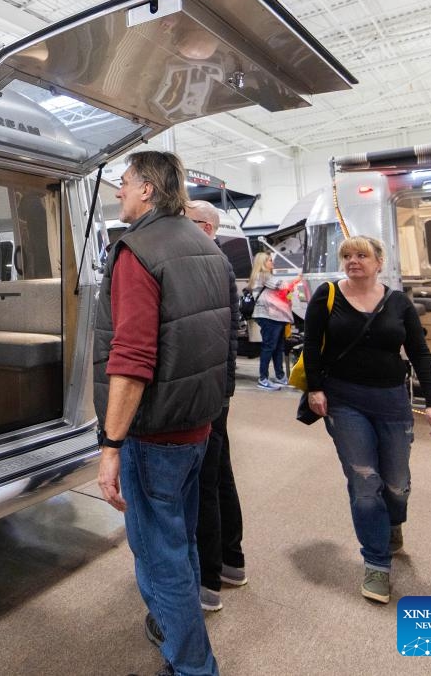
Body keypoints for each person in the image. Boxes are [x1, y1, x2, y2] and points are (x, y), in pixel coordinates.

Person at [95, 151, 229, 676]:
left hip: (153, 436)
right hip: (197, 426)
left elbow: (130, 361)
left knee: (159, 556)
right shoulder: (204, 246)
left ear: (148, 189)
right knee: (182, 542)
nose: (119, 192)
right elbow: (220, 340)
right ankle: (172, 626)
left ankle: (194, 666)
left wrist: (111, 445)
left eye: (124, 183)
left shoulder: (137, 251)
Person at [304, 235, 431, 604]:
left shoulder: (398, 302)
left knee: (397, 482)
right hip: (344, 400)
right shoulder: (327, 295)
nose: (353, 261)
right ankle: (376, 563)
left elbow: (419, 351)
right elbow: (311, 342)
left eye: (362, 255)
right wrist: (315, 388)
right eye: (347, 256)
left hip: (391, 401)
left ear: (379, 262)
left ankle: (393, 522)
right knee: (365, 480)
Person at [185, 200, 246, 612]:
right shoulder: (220, 263)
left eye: (186, 222)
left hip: (209, 390)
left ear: (206, 227)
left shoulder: (208, 265)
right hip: (217, 388)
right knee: (220, 474)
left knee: (205, 481)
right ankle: (231, 561)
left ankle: (207, 580)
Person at [248, 251, 294, 390]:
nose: (272, 262)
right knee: (269, 347)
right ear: (262, 263)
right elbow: (282, 285)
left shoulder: (266, 276)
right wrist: (297, 278)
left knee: (277, 347)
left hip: (276, 315)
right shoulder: (263, 275)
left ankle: (280, 376)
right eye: (269, 260)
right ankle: (263, 379)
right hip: (268, 315)